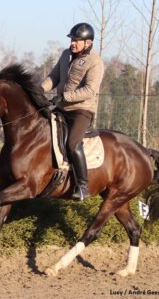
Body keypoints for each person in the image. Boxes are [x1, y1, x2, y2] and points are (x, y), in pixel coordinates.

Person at [41, 22, 104, 200]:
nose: (73, 43)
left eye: (77, 40)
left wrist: (65, 96)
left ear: (88, 43)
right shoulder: (65, 54)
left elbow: (90, 90)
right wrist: (39, 89)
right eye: (72, 39)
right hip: (62, 108)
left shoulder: (95, 62)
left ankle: (82, 186)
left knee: (72, 143)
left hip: (81, 111)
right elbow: (54, 77)